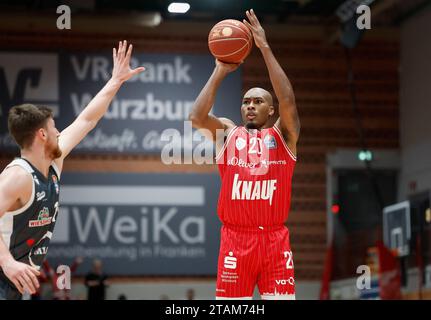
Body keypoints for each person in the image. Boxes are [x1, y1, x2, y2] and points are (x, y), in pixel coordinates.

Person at [0, 41, 145, 300]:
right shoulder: (17, 177)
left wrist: (115, 81)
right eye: (54, 127)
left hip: (15, 280)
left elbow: (87, 120)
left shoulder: (53, 160)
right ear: (42, 134)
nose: (59, 131)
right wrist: (7, 262)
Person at [189, 9, 300, 300]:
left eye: (259, 101)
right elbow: (197, 117)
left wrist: (264, 47)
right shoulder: (228, 133)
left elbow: (288, 99)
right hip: (236, 241)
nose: (250, 105)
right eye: (246, 101)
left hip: (275, 240)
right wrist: (220, 70)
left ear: (271, 110)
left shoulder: (284, 136)